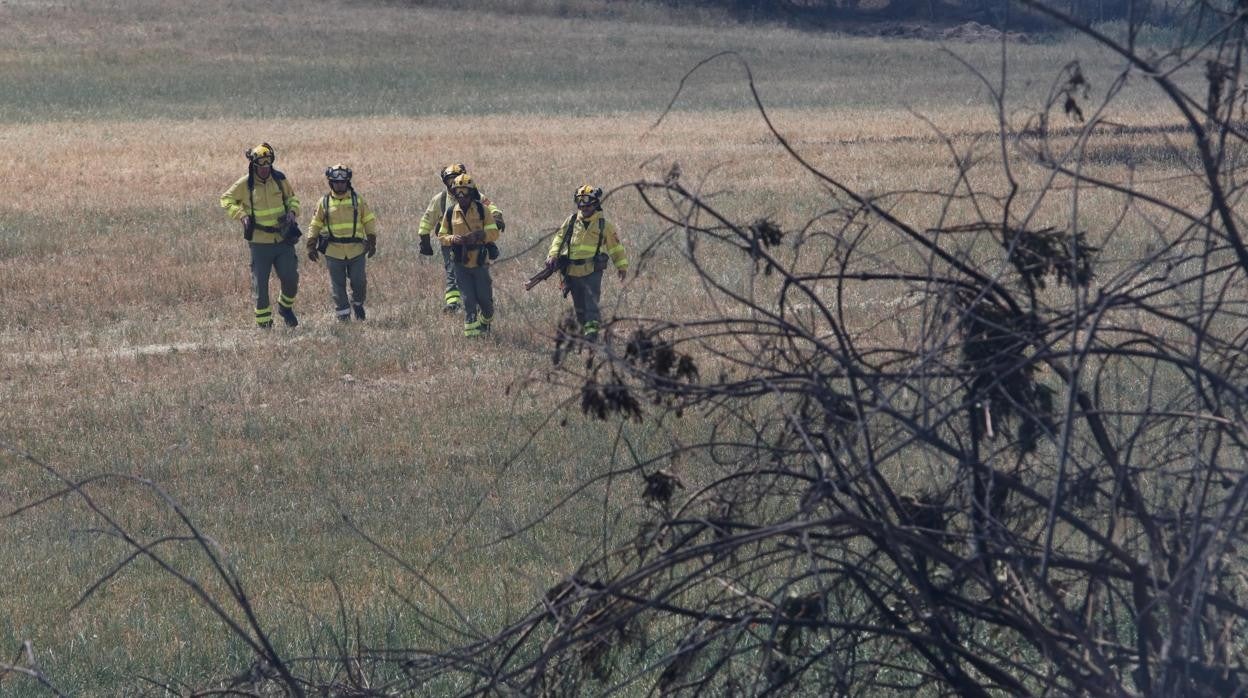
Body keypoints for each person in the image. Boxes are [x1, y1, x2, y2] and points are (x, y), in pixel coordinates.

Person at [219, 142, 301, 329]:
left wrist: (293, 211)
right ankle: (264, 324)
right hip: (259, 243)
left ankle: (285, 308)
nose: (265, 170)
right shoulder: (244, 184)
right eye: (260, 167)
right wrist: (241, 215)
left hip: (283, 240)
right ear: (253, 166)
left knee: (291, 279)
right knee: (260, 286)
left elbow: (292, 198)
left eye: (267, 166)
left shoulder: (280, 179)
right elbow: (226, 199)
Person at [417, 164, 504, 314]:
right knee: (452, 271)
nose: (453, 184)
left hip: (475, 242)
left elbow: (491, 207)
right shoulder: (440, 199)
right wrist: (424, 237)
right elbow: (428, 218)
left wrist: (497, 217)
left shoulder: (476, 196)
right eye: (449, 180)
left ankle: (481, 301)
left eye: (455, 179)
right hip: (451, 243)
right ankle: (453, 303)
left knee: (478, 270)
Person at [544, 185, 628, 341]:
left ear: (595, 204)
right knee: (579, 307)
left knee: (591, 304)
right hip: (572, 272)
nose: (583, 207)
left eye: (587, 204)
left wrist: (621, 266)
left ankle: (592, 336)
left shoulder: (604, 225)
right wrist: (553, 254)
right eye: (580, 204)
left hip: (592, 271)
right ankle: (585, 331)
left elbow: (615, 247)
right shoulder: (571, 221)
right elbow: (559, 238)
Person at [305, 164, 378, 322]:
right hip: (333, 251)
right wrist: (311, 243)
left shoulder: (357, 200)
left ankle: (358, 304)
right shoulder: (323, 202)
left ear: (347, 182)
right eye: (336, 182)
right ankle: (343, 316)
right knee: (337, 287)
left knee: (359, 282)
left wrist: (372, 240)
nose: (340, 185)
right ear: (331, 183)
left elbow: (368, 220)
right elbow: (315, 223)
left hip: (356, 250)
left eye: (343, 182)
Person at [438, 173, 500, 337]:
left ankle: (485, 323)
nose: (461, 195)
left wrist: (481, 235)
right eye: (458, 191)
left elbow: (494, 233)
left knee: (485, 301)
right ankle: (472, 336)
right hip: (460, 264)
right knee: (468, 301)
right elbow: (441, 236)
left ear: (472, 192)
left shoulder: (482, 210)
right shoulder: (451, 212)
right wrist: (453, 239)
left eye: (464, 191)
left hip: (479, 263)